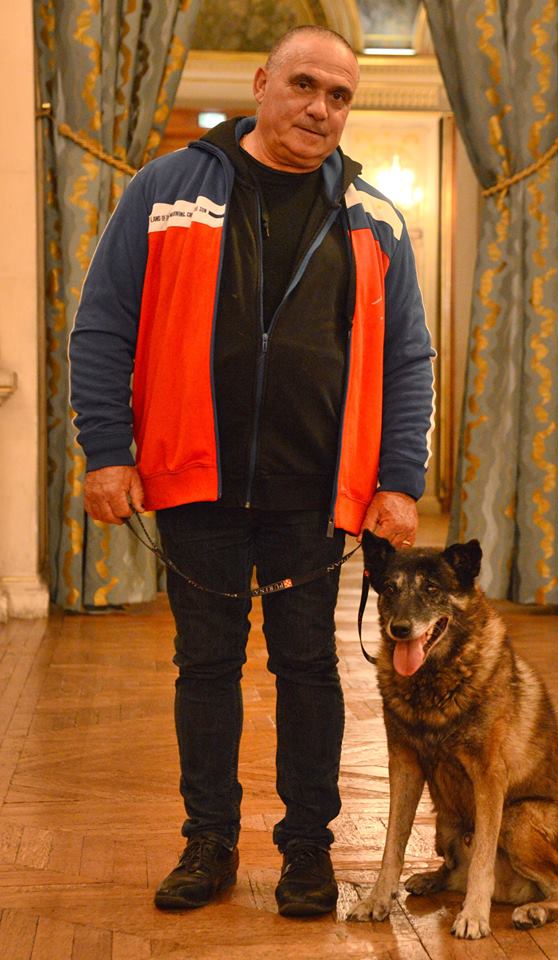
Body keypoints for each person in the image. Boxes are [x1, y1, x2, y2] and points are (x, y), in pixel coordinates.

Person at [69, 25, 434, 918]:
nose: (320, 108)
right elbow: (103, 322)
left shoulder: (375, 215)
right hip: (195, 479)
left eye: (339, 96)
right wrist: (108, 451)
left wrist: (398, 478)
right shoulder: (165, 189)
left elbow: (407, 358)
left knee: (308, 668)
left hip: (314, 490)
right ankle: (208, 843)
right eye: (304, 85)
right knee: (205, 665)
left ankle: (308, 850)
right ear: (263, 83)